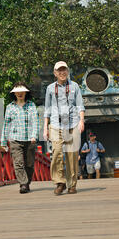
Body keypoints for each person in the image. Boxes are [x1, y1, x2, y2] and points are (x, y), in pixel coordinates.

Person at [43, 61, 85, 195]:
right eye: (59, 70)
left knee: (72, 155)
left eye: (64, 70)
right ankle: (59, 182)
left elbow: (80, 105)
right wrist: (45, 127)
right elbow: (47, 109)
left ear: (68, 71)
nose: (62, 73)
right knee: (56, 153)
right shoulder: (50, 88)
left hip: (72, 124)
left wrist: (82, 121)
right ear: (55, 73)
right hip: (55, 124)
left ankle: (71, 184)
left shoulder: (75, 86)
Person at [1, 82, 39, 194]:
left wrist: (34, 136)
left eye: (22, 91)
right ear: (14, 93)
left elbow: (35, 122)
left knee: (29, 164)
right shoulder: (10, 107)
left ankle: (27, 182)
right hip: (15, 139)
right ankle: (23, 184)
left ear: (26, 92)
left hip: (29, 139)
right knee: (18, 163)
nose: (19, 93)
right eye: (17, 92)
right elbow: (6, 124)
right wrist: (3, 141)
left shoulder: (31, 105)